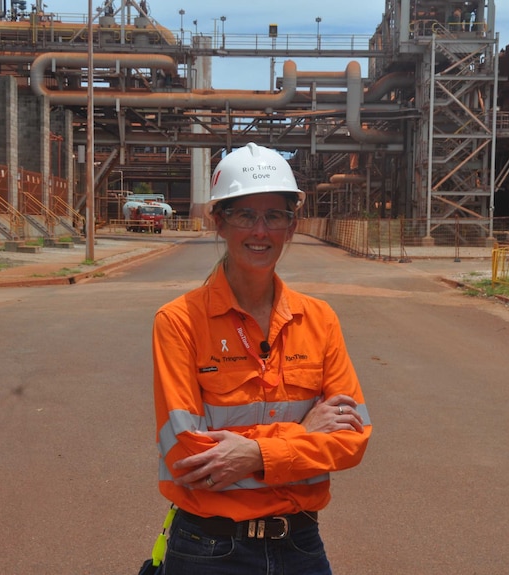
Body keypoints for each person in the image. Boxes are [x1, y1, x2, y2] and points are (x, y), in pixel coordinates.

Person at [151, 142, 372, 574]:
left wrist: (253, 454)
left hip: (300, 543)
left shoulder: (319, 319)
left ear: (292, 226)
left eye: (274, 216)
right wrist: (301, 435)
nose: (260, 231)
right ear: (219, 222)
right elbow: (187, 458)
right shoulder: (179, 322)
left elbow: (352, 440)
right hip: (208, 546)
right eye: (245, 215)